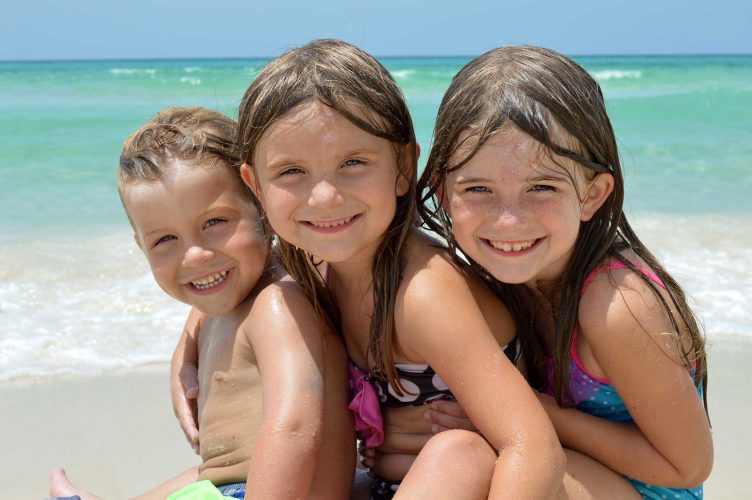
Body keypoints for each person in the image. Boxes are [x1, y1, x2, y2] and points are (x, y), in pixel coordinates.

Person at [235, 38, 566, 499]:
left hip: (494, 481)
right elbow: (225, 272)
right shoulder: (314, 264)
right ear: (255, 184)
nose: (325, 197)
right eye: (292, 172)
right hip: (390, 485)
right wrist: (190, 342)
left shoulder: (422, 293)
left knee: (457, 452)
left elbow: (532, 447)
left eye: (353, 162)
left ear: (403, 165)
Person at [418, 45, 713, 499]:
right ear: (442, 191)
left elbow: (686, 464)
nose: (508, 221)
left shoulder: (617, 305)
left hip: (646, 492)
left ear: (593, 194)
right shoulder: (481, 277)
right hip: (558, 466)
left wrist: (533, 414)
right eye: (478, 188)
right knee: (458, 454)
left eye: (541, 187)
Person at [49, 107, 355, 500]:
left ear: (263, 207)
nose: (194, 257)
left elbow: (295, 428)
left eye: (214, 223)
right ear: (141, 248)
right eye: (164, 240)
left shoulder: (278, 306)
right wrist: (187, 344)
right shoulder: (224, 310)